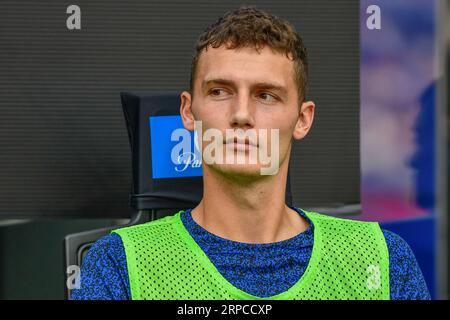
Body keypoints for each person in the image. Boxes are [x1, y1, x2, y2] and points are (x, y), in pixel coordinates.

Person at [71, 6, 430, 300]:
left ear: (302, 119)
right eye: (219, 92)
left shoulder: (381, 260)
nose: (241, 114)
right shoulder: (119, 263)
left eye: (266, 95)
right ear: (188, 112)